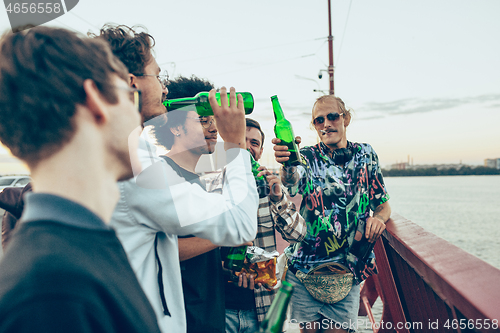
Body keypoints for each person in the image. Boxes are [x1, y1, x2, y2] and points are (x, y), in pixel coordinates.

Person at [94, 25, 258, 333]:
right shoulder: (134, 163)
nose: (164, 88)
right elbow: (240, 225)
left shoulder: (111, 151)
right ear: (133, 83)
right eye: (156, 76)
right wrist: (234, 144)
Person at [0, 26, 160, 333]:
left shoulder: (74, 248)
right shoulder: (51, 291)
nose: (138, 116)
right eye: (131, 97)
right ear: (96, 101)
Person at [273, 95, 391, 333]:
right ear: (314, 127)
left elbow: (383, 204)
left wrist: (379, 219)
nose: (326, 123)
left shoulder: (366, 155)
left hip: (347, 274)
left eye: (332, 116)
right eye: (318, 120)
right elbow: (292, 182)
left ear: (345, 118)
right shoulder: (306, 157)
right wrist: (286, 164)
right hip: (304, 272)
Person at [150, 75, 226, 333]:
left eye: (214, 120)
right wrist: (224, 235)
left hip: (209, 317)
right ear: (174, 127)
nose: (213, 128)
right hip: (181, 322)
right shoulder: (161, 177)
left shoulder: (199, 180)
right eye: (203, 120)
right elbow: (159, 252)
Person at [217, 118, 307, 333]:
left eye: (254, 143)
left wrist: (278, 197)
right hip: (219, 310)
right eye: (241, 140)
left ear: (260, 151)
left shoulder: (266, 187)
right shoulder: (211, 184)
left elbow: (298, 234)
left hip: (262, 308)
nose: (248, 147)